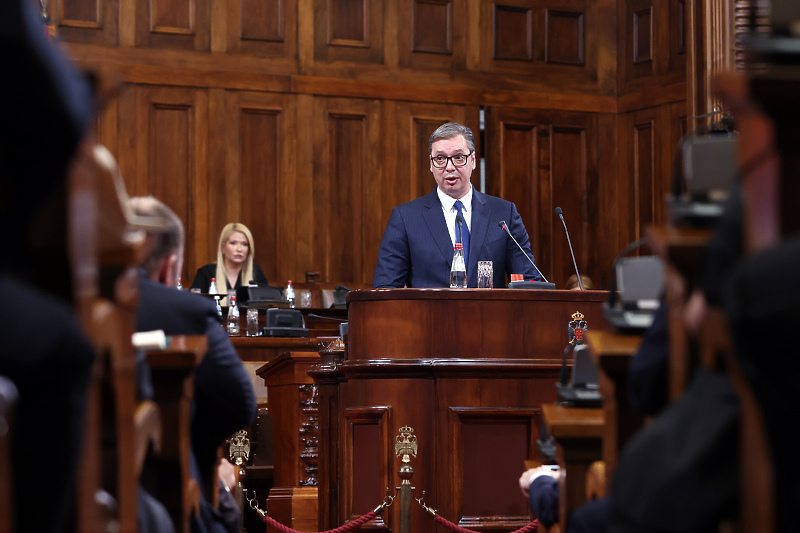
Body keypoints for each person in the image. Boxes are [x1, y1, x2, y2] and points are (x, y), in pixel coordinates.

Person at [131, 197, 258, 533]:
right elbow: (240, 405)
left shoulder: (64, 306)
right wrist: (187, 439)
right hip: (166, 486)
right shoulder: (188, 312)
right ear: (168, 266)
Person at [372, 122, 543, 288]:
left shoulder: (504, 214)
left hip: (488, 316)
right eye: (440, 159)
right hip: (429, 316)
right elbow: (385, 287)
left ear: (473, 160)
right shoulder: (406, 218)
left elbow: (529, 283)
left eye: (458, 157)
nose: (449, 167)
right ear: (431, 164)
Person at [189, 223, 268, 297]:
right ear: (223, 248)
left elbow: (267, 304)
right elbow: (193, 304)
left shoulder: (256, 272)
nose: (239, 249)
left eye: (244, 244)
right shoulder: (206, 273)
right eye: (233, 243)